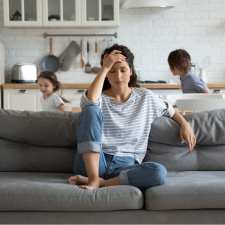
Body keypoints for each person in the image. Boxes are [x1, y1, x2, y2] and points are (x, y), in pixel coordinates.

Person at [68, 44, 196, 190]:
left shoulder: (145, 97)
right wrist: (104, 67)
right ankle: (93, 178)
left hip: (126, 166)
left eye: (123, 70)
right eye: (112, 71)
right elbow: (90, 102)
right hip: (94, 161)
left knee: (158, 172)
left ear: (131, 71)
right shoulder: (98, 98)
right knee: (90, 109)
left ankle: (100, 183)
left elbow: (171, 111)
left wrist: (185, 124)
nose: (118, 76)